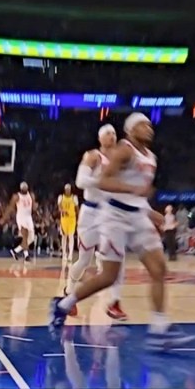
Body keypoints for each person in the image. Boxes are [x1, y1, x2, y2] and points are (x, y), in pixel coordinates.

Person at [49, 113, 195, 351]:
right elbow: (104, 182)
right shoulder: (124, 150)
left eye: (150, 124)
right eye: (143, 124)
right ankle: (64, 304)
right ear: (130, 130)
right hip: (114, 217)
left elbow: (137, 198)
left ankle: (159, 329)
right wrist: (134, 189)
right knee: (107, 275)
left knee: (159, 269)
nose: (149, 128)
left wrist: (154, 215)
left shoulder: (152, 158)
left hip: (136, 217)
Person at [66, 124, 127, 321]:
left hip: (110, 213)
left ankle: (115, 302)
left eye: (114, 133)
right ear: (100, 138)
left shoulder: (120, 161)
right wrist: (101, 181)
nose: (112, 136)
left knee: (118, 257)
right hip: (90, 212)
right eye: (108, 133)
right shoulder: (92, 156)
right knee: (84, 259)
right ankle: (69, 291)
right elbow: (80, 182)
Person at [4, 182, 35, 262]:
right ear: (21, 189)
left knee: (31, 238)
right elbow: (11, 207)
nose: (24, 189)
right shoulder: (16, 196)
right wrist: (5, 217)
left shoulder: (31, 195)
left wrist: (36, 212)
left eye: (26, 187)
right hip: (21, 217)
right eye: (23, 188)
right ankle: (26, 255)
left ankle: (15, 251)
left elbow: (33, 206)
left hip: (29, 217)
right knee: (25, 236)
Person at [58, 184, 79, 264]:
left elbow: (77, 209)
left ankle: (70, 255)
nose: (67, 190)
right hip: (64, 220)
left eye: (68, 189)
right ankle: (64, 254)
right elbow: (59, 207)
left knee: (71, 237)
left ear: (70, 190)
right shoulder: (61, 197)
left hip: (72, 219)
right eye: (66, 189)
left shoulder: (74, 198)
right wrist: (62, 210)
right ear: (64, 190)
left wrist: (78, 218)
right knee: (64, 237)